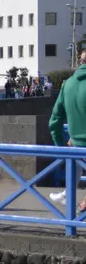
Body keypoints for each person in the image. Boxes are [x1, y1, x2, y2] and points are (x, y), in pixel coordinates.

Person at [49, 50, 86, 207]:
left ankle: (68, 194)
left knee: (75, 161)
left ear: (80, 62)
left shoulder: (67, 84)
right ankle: (80, 204)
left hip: (77, 144)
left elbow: (54, 121)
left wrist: (61, 147)